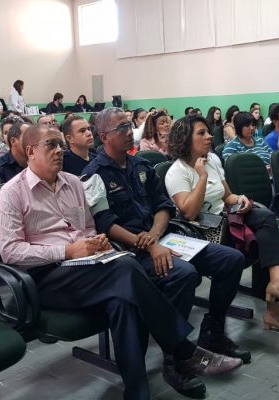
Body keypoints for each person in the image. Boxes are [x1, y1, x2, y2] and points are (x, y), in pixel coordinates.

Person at [0, 123, 242, 400]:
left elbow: (86, 228)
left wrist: (94, 243)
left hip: (88, 268)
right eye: (51, 145)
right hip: (45, 277)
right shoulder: (11, 193)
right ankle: (183, 350)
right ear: (30, 152)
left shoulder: (73, 183)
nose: (59, 151)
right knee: (126, 266)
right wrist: (68, 251)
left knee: (123, 303)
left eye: (59, 145)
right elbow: (10, 252)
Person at [83, 107, 253, 367]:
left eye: (129, 126)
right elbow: (104, 223)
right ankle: (175, 358)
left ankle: (213, 333)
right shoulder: (94, 173)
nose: (129, 132)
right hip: (128, 250)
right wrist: (146, 244)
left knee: (231, 260)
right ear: (104, 136)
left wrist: (154, 235)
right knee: (184, 274)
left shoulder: (140, 165)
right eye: (122, 128)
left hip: (160, 237)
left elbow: (163, 206)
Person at [165, 116, 279, 332]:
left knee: (265, 217)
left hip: (225, 218)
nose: (209, 137)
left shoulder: (212, 159)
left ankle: (277, 283)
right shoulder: (177, 172)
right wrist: (202, 177)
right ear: (185, 139)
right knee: (262, 240)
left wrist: (240, 199)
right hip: (201, 229)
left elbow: (227, 196)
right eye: (201, 133)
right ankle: (274, 310)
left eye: (208, 132)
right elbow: (189, 212)